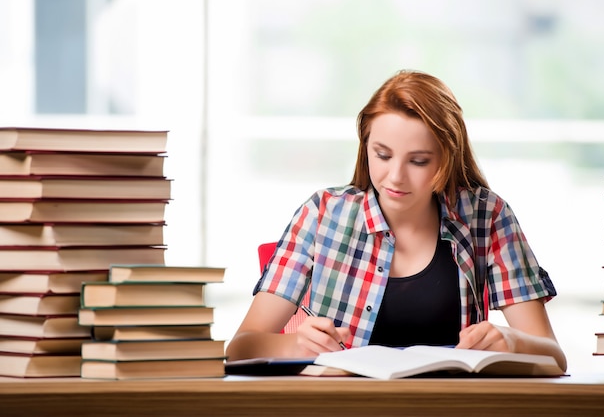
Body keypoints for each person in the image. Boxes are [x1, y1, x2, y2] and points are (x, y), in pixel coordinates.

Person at [226, 69, 567, 372]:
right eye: (383, 155)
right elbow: (241, 347)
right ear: (366, 146)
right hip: (342, 409)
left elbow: (553, 357)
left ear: (448, 158)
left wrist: (511, 342)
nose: (395, 177)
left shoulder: (487, 217)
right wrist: (294, 345)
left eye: (418, 161)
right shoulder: (322, 214)